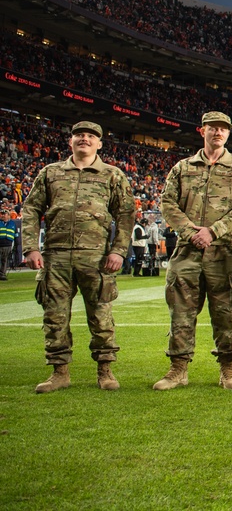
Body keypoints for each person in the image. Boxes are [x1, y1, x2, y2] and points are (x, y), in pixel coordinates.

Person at [21, 121, 135, 393]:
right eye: (79, 135)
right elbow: (31, 210)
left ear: (99, 144)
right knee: (55, 317)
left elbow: (126, 214)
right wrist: (30, 247)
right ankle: (59, 372)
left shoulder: (112, 175)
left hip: (96, 258)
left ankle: (105, 370)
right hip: (55, 256)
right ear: (70, 141)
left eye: (91, 136)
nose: (84, 139)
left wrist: (118, 250)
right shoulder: (51, 173)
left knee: (101, 316)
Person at [153, 111, 232, 391]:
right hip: (188, 250)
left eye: (224, 128)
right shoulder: (182, 167)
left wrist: (213, 231)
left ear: (228, 134)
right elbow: (168, 203)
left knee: (226, 312)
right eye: (213, 128)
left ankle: (228, 368)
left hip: (223, 250)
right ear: (202, 131)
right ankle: (178, 368)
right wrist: (191, 231)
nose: (218, 133)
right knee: (181, 311)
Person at [0, 208, 18, 279]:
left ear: (8, 215)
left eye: (4, 214)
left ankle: (2, 274)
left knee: (5, 260)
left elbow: (16, 235)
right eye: (2, 214)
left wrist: (17, 244)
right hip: (0, 244)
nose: (2, 215)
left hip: (8, 244)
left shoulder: (13, 224)